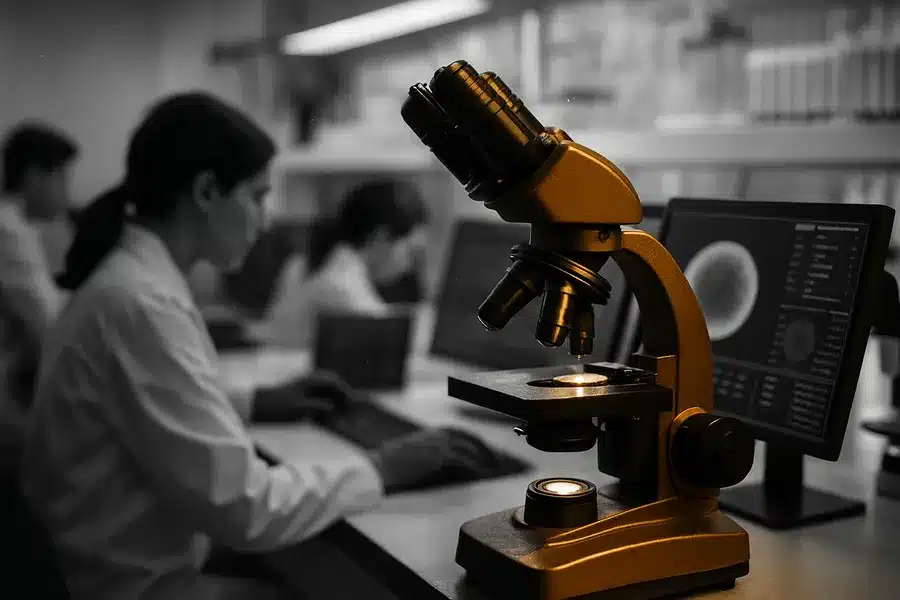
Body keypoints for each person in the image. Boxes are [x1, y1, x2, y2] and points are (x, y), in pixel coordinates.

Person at [21, 92, 485, 600]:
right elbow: (247, 508)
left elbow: (150, 405)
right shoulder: (141, 303)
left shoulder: (131, 282)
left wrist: (257, 402)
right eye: (258, 196)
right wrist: (382, 467)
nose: (265, 221)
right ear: (206, 191)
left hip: (117, 553)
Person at [254, 178, 429, 346]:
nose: (409, 266)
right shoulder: (339, 284)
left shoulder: (308, 261)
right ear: (380, 237)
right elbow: (382, 332)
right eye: (411, 252)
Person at [0, 122, 77, 444]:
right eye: (62, 178)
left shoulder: (17, 228)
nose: (67, 192)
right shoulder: (8, 232)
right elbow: (47, 325)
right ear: (33, 177)